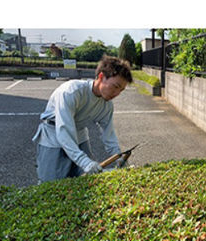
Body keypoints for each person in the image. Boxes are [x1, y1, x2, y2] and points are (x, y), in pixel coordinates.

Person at [32, 55, 133, 183]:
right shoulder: (71, 92)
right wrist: (85, 162)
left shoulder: (106, 105)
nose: (117, 93)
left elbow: (109, 134)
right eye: (116, 86)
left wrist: (119, 157)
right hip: (53, 135)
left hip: (79, 134)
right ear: (101, 77)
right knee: (51, 183)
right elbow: (63, 130)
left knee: (83, 181)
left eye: (121, 90)